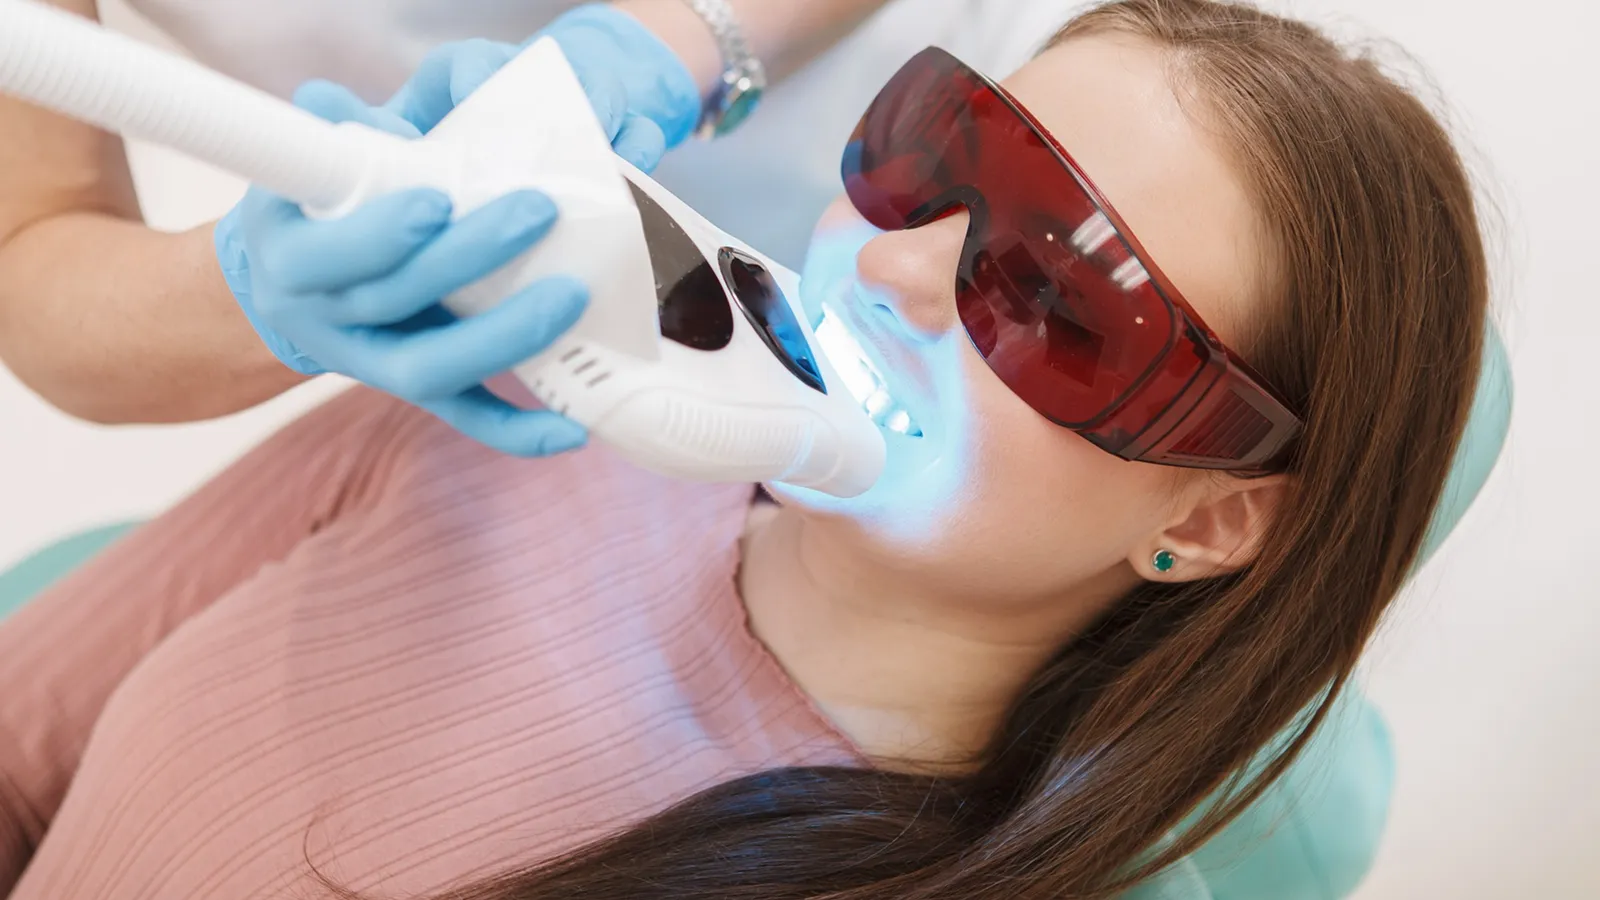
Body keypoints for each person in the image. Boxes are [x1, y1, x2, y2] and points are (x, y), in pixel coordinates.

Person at [0, 1, 1488, 898]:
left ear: (1215, 520)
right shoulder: (508, 424)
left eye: (1054, 301)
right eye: (930, 166)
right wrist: (237, 292)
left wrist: (673, 40)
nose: (898, 271)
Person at [0, 0, 1075, 454]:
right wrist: (252, 295)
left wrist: (670, 40)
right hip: (557, 321)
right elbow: (32, 258)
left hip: (1002, 146)